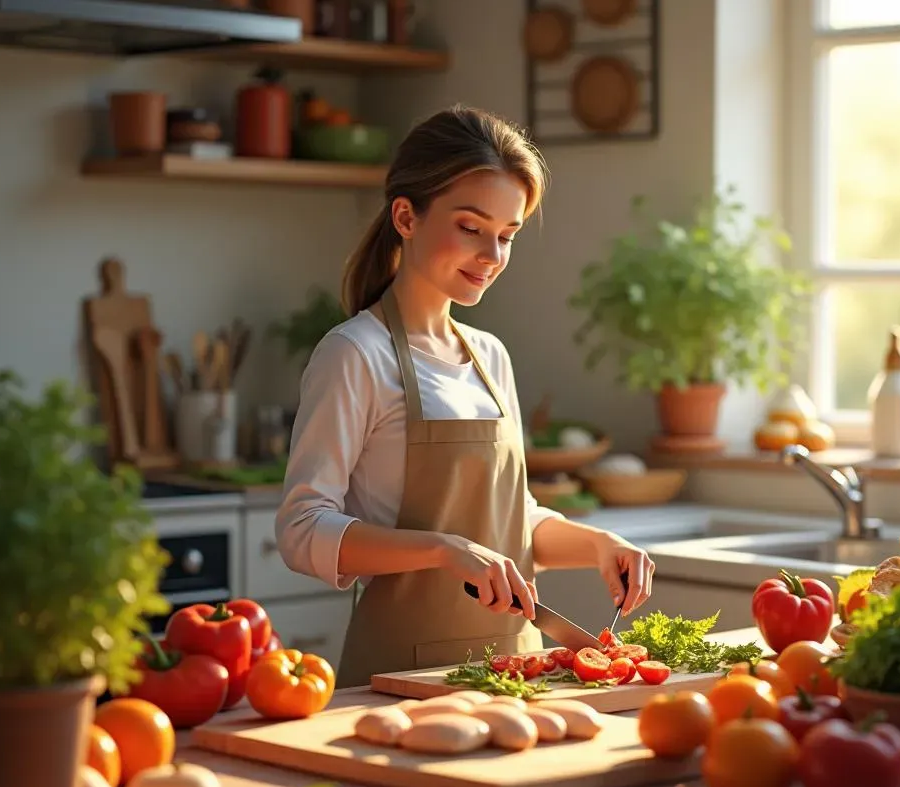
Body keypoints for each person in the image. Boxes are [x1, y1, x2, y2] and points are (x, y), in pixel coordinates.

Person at [275, 104, 655, 688]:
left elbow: (507, 522)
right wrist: (443, 550)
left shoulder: (490, 356)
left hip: (516, 669)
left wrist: (598, 544)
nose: (492, 256)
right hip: (401, 678)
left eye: (507, 235)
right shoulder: (355, 354)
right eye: (471, 228)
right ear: (406, 216)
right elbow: (303, 530)